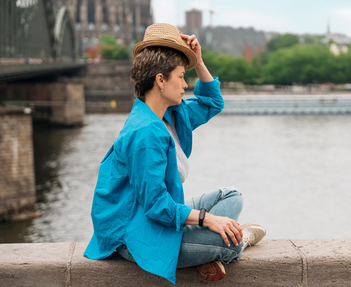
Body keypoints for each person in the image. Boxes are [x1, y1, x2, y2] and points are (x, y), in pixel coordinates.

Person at [83, 23, 266, 284]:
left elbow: (212, 103)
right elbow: (156, 206)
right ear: (160, 80)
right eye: (181, 76)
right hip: (132, 233)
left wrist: (199, 61)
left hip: (151, 214)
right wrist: (207, 220)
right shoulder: (145, 134)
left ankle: (206, 248)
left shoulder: (171, 114)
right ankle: (234, 242)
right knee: (228, 243)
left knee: (232, 196)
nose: (185, 84)